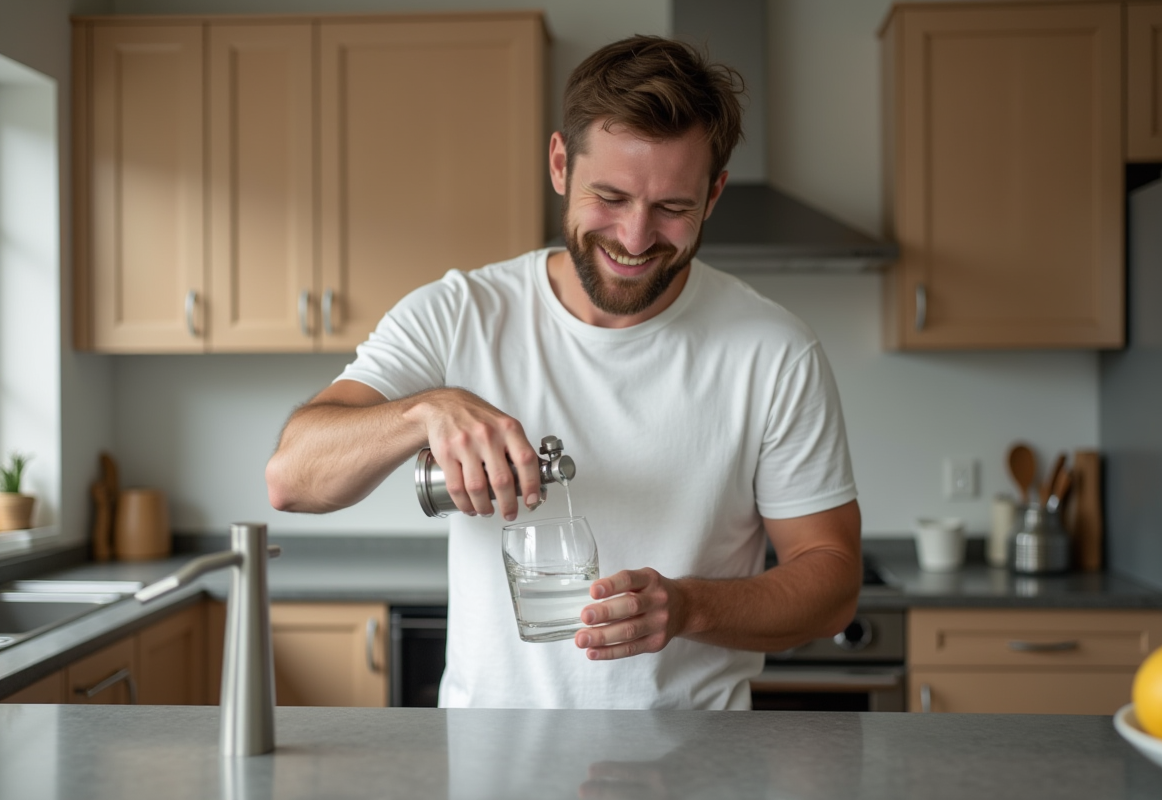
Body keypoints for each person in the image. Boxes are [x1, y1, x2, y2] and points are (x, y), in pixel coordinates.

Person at [266, 34, 862, 710]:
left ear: (715, 194)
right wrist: (423, 411)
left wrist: (690, 607)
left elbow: (834, 585)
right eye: (609, 196)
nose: (635, 239)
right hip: (491, 765)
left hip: (697, 767)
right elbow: (292, 478)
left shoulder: (774, 351)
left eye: (672, 208)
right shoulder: (459, 314)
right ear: (559, 164)